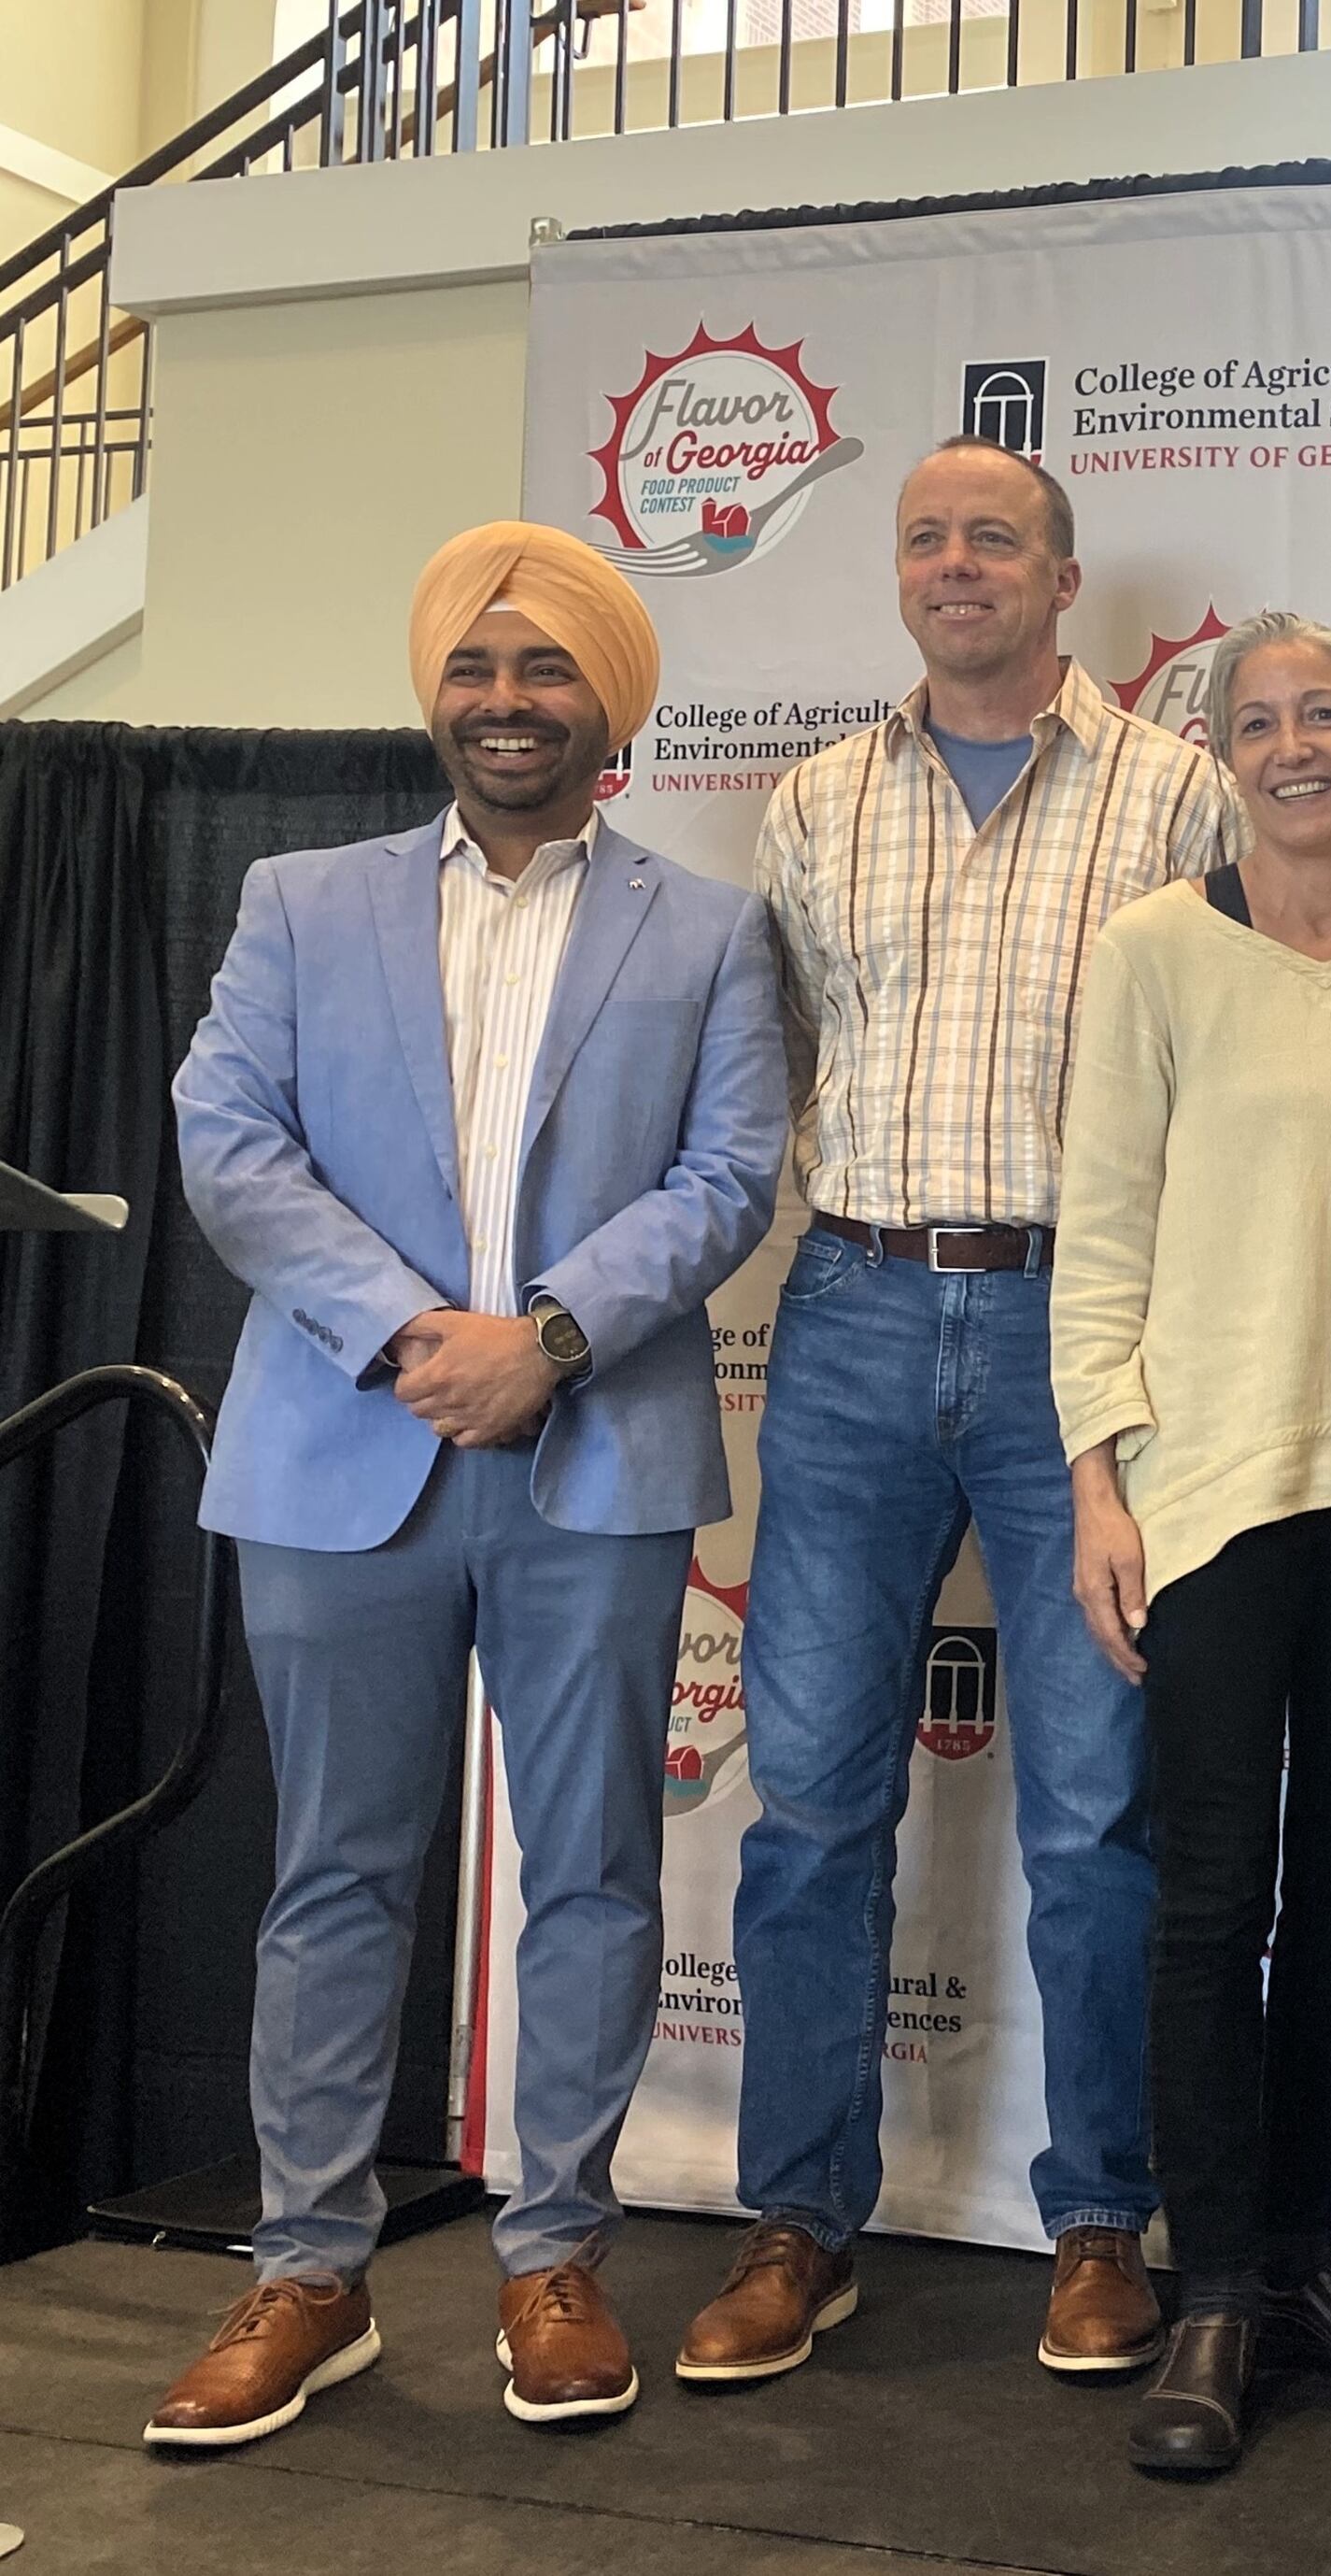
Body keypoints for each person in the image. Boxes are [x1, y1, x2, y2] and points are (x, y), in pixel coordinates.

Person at [156, 524, 783, 2446]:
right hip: (346, 1443)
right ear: (438, 690)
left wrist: (552, 1337)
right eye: (480, 669)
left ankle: (556, 2255)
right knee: (337, 1868)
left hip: (593, 1455)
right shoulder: (298, 897)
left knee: (592, 1869)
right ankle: (306, 2273)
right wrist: (418, 1328)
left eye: (548, 673)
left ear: (612, 707)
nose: (508, 701)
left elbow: (733, 1169)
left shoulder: (706, 925)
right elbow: (226, 1135)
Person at [678, 438, 1245, 2387]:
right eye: (925, 537)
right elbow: (784, 1059)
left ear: (1066, 576)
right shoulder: (821, 799)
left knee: (1098, 1813)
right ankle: (797, 2221)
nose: (955, 563)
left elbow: (1216, 1090)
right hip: (846, 1308)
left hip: (1081, 1328)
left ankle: (1100, 2217)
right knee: (813, 1801)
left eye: (994, 536)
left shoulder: (1183, 790)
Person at [1051, 611, 1331, 2475]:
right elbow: (1104, 1230)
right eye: (1259, 721)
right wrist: (1097, 1479)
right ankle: (1210, 2277)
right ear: (1221, 755)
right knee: (1212, 1888)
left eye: (1327, 716)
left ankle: (1302, 2252)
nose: (1295, 744)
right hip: (1210, 1483)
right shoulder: (1154, 952)